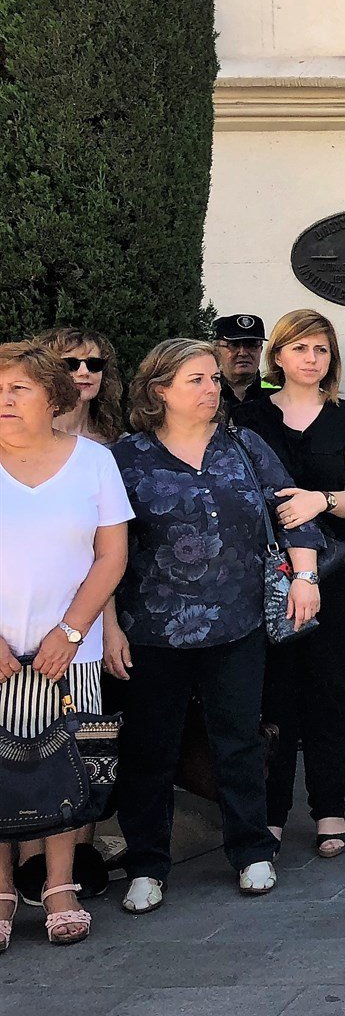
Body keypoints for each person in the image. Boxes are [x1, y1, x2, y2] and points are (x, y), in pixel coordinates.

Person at [112, 340, 322, 912]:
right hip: (153, 629)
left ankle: (252, 850)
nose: (212, 389)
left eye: (212, 378)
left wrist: (305, 578)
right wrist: (107, 626)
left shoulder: (245, 446)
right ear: (159, 391)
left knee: (239, 738)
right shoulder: (126, 458)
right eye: (196, 380)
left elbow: (291, 511)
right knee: (151, 747)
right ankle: (146, 865)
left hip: (238, 621)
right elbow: (103, 549)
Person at [0, 342, 131, 948]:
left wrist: (73, 631)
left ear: (53, 397)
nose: (4, 398)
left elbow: (111, 556)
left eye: (18, 388)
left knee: (61, 770)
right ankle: (0, 891)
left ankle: (59, 886)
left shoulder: (94, 462)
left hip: (68, 654)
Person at [234, 309, 345, 860]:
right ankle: (269, 815)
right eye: (300, 349)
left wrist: (324, 500)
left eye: (320, 349)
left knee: (326, 692)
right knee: (272, 697)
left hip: (330, 576)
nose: (311, 359)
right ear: (279, 356)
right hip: (261, 577)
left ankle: (329, 809)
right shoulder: (247, 417)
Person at [37, 326, 125, 444]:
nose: (84, 372)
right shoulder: (18, 438)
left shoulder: (120, 444)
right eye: (70, 364)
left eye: (94, 364)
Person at [213, 314, 267, 411]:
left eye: (251, 345)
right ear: (217, 351)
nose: (243, 353)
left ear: (261, 349)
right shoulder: (206, 391)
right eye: (234, 345)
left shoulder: (278, 393)